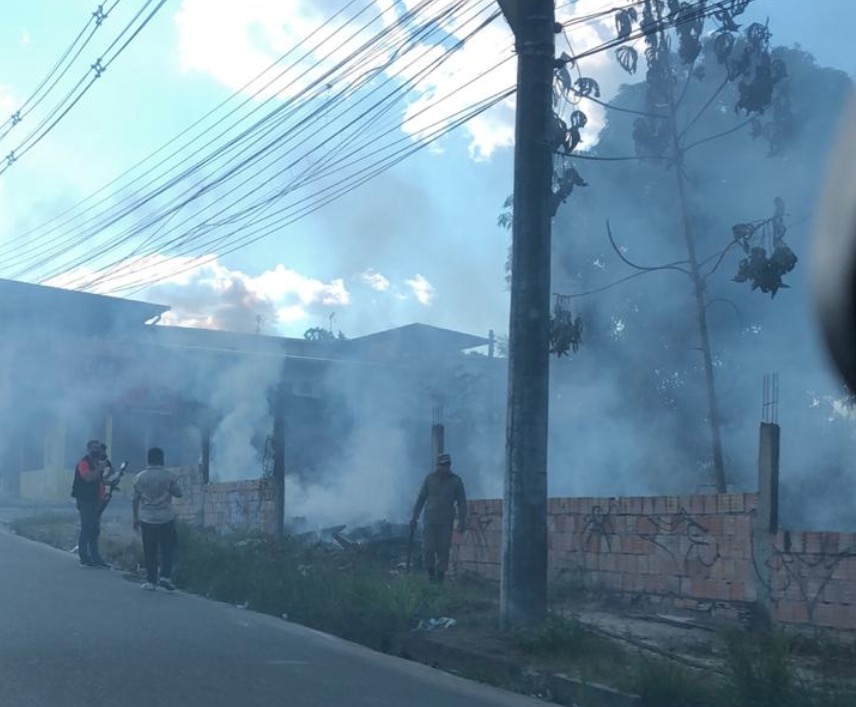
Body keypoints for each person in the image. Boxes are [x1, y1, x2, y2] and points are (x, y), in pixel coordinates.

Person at [410, 452, 467, 584]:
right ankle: (431, 576)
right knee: (428, 549)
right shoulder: (430, 479)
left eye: (447, 464)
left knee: (443, 550)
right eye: (442, 465)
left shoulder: (456, 481)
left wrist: (462, 520)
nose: (445, 467)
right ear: (438, 465)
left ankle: (440, 579)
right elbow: (421, 499)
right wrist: (414, 517)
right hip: (430, 520)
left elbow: (462, 502)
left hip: (446, 522)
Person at [133, 447, 182, 591]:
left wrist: (135, 518)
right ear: (162, 459)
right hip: (166, 518)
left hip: (147, 518)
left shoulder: (139, 477)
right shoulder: (169, 476)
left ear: (148, 459)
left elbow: (135, 499)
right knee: (167, 548)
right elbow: (178, 493)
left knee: (150, 550)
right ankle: (165, 576)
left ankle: (151, 581)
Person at [71, 439, 112, 568]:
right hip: (85, 500)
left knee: (94, 529)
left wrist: (111, 475)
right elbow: (88, 477)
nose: (97, 450)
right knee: (86, 527)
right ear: (88, 449)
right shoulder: (84, 462)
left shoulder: (95, 463)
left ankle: (95, 557)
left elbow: (100, 480)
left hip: (96, 499)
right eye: (94, 447)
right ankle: (84, 557)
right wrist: (100, 468)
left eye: (98, 448)